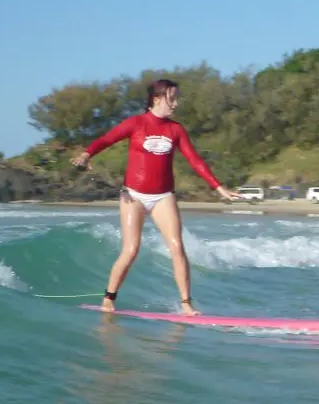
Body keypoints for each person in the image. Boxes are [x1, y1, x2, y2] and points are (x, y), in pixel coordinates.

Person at [70, 79, 241, 315]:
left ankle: (186, 305)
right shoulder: (136, 123)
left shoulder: (176, 129)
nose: (176, 103)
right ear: (157, 98)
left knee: (177, 247)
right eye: (172, 98)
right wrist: (88, 153)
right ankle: (109, 298)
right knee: (131, 249)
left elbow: (195, 160)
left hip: (163, 196)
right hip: (134, 195)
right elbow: (107, 139)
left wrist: (218, 187)